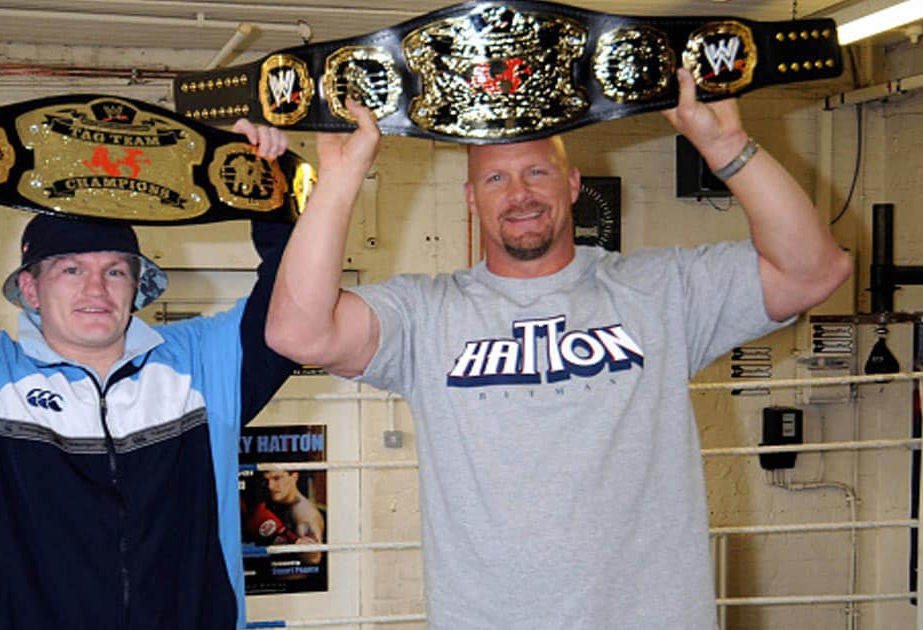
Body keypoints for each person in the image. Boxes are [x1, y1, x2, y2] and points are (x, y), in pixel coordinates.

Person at [265, 67, 853, 629]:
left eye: (537, 173)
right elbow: (297, 333)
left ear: (572, 185)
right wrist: (339, 180)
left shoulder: (658, 293)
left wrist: (728, 147)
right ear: (472, 199)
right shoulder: (427, 315)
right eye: (496, 179)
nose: (519, 193)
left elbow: (813, 272)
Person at [0, 94, 297, 630]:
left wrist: (273, 193)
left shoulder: (204, 363)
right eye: (70, 270)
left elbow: (297, 304)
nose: (96, 288)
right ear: (30, 288)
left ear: (138, 286)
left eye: (115, 271)